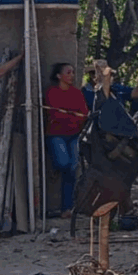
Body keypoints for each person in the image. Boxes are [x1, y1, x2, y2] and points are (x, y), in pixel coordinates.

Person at [45, 62, 90, 218]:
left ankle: (67, 207)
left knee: (72, 168)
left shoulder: (77, 93)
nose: (72, 75)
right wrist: (73, 116)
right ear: (59, 76)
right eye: (68, 72)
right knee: (64, 163)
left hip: (74, 135)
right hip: (56, 134)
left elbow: (84, 114)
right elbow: (55, 115)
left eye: (72, 72)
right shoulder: (52, 93)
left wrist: (71, 117)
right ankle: (55, 170)